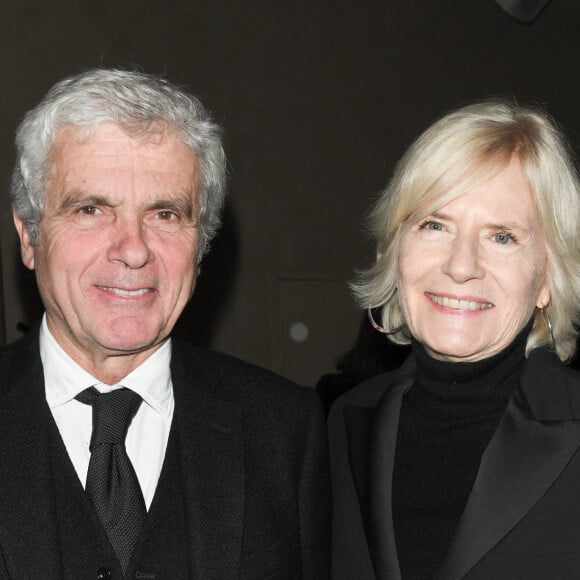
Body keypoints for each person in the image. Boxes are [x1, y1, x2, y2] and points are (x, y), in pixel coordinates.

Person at [0, 69, 330, 579]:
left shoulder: (285, 432)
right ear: (28, 235)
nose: (133, 249)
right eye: (91, 209)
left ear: (201, 246)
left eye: (166, 214)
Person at [328, 100, 580, 579]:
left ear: (548, 277)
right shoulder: (346, 426)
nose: (460, 265)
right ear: (395, 249)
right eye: (434, 225)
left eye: (501, 236)